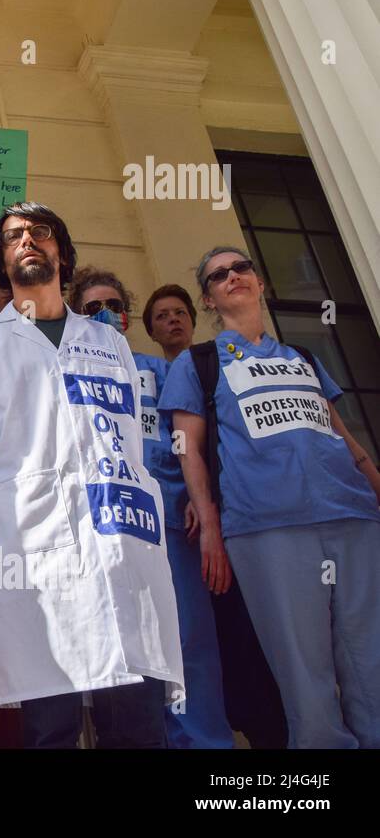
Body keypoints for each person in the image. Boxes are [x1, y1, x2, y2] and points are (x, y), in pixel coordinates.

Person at [0, 202, 183, 749]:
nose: (28, 240)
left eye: (41, 232)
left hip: (122, 547)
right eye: (13, 237)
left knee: (137, 719)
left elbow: (130, 450)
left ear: (62, 253)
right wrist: (2, 550)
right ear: (1, 262)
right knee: (51, 724)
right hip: (32, 555)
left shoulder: (109, 342)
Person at [158, 246, 380, 748]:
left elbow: (345, 438)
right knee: (306, 677)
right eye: (218, 275)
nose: (233, 276)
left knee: (371, 664)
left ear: (259, 282)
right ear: (209, 299)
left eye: (241, 268)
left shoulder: (303, 357)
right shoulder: (198, 363)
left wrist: (376, 489)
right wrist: (211, 528)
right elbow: (188, 450)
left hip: (354, 517)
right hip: (267, 527)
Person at [70, 269, 233, 749]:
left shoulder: (163, 368)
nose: (106, 314)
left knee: (189, 641)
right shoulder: (65, 366)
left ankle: (203, 742)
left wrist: (195, 496)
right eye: (94, 306)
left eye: (115, 305)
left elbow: (187, 437)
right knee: (126, 647)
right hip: (105, 525)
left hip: (169, 518)